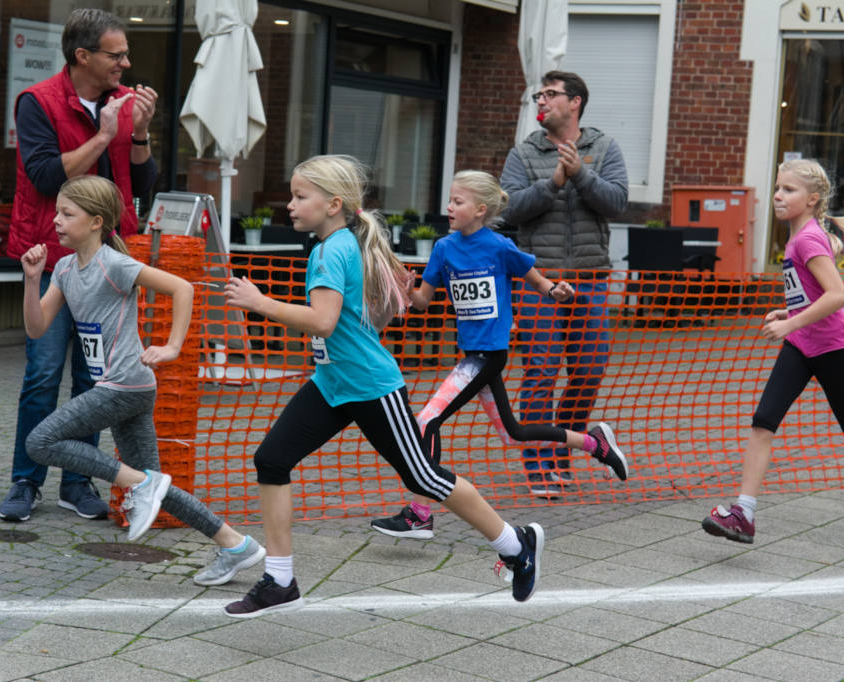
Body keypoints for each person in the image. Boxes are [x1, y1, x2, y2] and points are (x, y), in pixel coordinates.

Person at [223, 155, 544, 618]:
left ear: (333, 204)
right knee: (271, 458)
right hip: (333, 382)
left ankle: (517, 545)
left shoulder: (332, 249)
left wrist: (260, 302)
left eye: (300, 196)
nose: (290, 205)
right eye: (292, 195)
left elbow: (323, 322)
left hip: (371, 386)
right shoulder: (336, 243)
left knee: (424, 478)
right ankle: (280, 579)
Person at [22, 175, 266, 585]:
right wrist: (32, 280)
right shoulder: (63, 268)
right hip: (122, 388)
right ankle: (236, 544)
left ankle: (139, 483)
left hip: (126, 384)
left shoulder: (114, 264)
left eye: (68, 213)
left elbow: (183, 287)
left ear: (97, 221)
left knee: (40, 442)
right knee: (160, 490)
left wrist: (171, 347)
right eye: (57, 212)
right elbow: (36, 327)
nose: (57, 221)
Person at [370, 171, 629, 539]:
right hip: (471, 355)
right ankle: (594, 442)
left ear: (480, 209)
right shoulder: (444, 249)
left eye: (457, 202)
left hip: (488, 356)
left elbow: (541, 283)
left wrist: (558, 291)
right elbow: (423, 302)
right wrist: (405, 288)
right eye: (449, 200)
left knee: (426, 421)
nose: (449, 207)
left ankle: (419, 512)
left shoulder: (500, 247)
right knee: (513, 433)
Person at [0, 8, 160, 522]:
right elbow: (47, 177)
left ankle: (78, 481)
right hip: (53, 258)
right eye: (117, 54)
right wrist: (101, 134)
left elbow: (142, 187)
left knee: (95, 380)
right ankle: (25, 481)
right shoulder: (37, 103)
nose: (126, 63)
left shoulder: (121, 103)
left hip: (104, 261)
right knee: (44, 374)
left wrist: (138, 134)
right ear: (82, 56)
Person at [703, 159, 844, 544]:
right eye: (777, 187)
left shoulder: (807, 239)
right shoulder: (798, 235)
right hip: (801, 346)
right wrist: (791, 312)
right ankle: (743, 513)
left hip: (834, 348)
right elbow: (814, 293)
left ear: (812, 199)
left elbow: (837, 296)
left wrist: (790, 323)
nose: (777, 195)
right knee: (764, 419)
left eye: (789, 190)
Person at [499, 70, 629, 497]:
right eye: (539, 95)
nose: (542, 101)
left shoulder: (604, 147)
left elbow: (617, 202)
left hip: (591, 280)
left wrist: (581, 175)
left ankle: (565, 449)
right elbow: (510, 209)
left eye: (551, 95)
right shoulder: (523, 154)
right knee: (540, 370)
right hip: (540, 280)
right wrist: (553, 182)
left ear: (575, 102)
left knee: (589, 370)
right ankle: (537, 465)